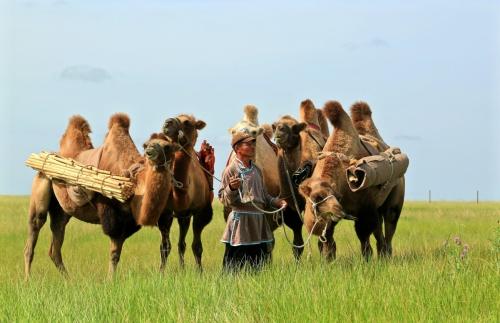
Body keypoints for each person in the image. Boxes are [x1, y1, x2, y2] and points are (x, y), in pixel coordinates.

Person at [219, 131, 286, 272]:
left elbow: (264, 196)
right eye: (248, 144)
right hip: (240, 224)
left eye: (253, 143)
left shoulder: (256, 170)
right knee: (232, 269)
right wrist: (231, 187)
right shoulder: (230, 171)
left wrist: (276, 202)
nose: (253, 146)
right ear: (237, 148)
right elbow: (223, 199)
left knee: (259, 268)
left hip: (258, 224)